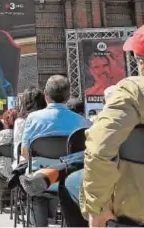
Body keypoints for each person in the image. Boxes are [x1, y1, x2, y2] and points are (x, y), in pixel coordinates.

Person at [65, 21, 144, 227]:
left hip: (140, 207)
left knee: (71, 182)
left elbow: (99, 148)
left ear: (143, 63)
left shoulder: (133, 91)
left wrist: (98, 208)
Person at [21, 75, 90, 226]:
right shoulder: (83, 122)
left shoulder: (32, 118)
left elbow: (25, 153)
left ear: (46, 94)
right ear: (69, 96)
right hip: (69, 180)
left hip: (41, 177)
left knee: (37, 192)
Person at [14, 86, 47, 167]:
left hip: (27, 163)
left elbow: (17, 149)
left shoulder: (20, 121)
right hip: (49, 161)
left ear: (24, 102)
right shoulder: (47, 118)